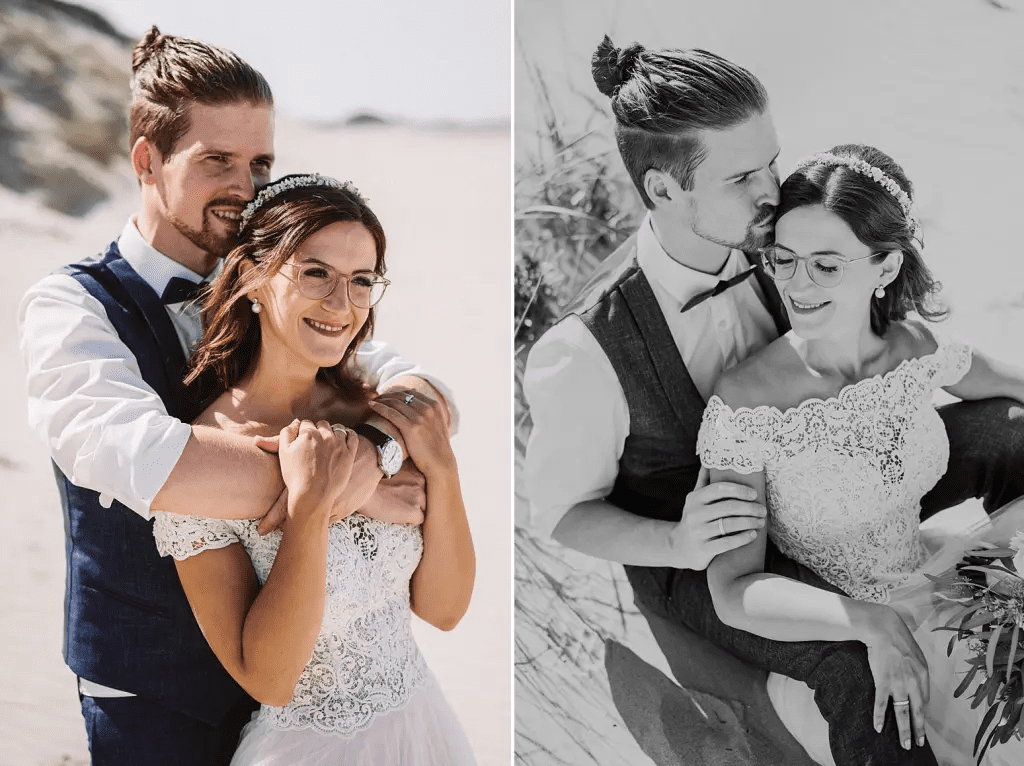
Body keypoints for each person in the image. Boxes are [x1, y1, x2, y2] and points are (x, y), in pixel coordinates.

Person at [522, 37, 1024, 765]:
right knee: (856, 672)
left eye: (771, 162)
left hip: (844, 476)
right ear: (664, 189)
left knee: (1010, 432)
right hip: (707, 550)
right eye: (742, 177)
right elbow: (563, 515)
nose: (771, 191)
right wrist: (677, 542)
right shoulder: (584, 348)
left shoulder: (783, 239)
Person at [18, 28, 452, 766]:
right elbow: (151, 460)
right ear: (146, 161)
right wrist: (350, 489)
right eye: (216, 160)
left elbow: (418, 387)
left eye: (260, 164)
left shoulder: (274, 282)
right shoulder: (71, 307)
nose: (246, 188)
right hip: (152, 693)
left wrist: (372, 451)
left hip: (301, 693)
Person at [698, 143, 1024, 766]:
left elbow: (1014, 387)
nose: (797, 285)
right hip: (835, 625)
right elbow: (732, 589)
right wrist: (866, 621)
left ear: (885, 266)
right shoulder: (747, 400)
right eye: (784, 259)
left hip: (931, 586)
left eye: (826, 265)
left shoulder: (912, 349)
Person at [150, 173, 476, 765]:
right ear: (251, 276)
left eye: (361, 281)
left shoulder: (379, 414)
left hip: (426, 732)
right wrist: (311, 507)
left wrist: (442, 467)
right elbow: (270, 680)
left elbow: (444, 610)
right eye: (315, 272)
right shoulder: (204, 463)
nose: (341, 305)